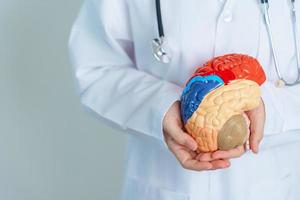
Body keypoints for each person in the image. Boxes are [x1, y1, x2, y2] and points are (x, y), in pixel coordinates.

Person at [68, 0, 300, 199]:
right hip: (163, 182)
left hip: (276, 184)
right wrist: (161, 106)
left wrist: (268, 110)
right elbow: (96, 68)